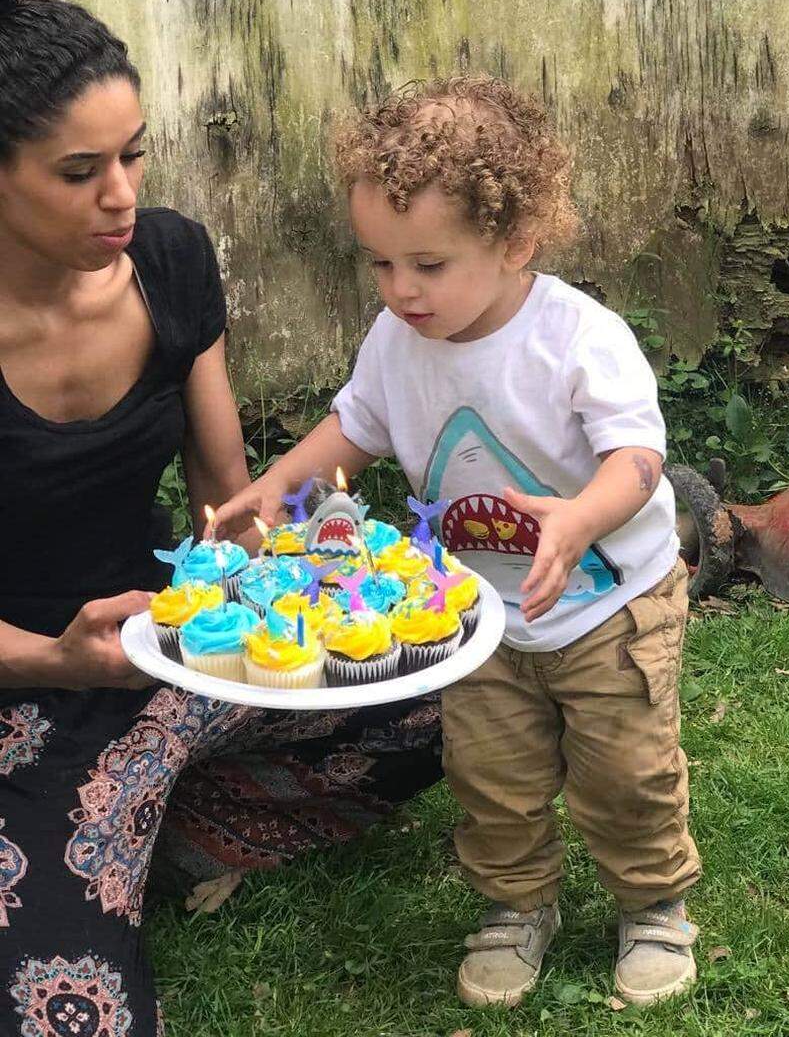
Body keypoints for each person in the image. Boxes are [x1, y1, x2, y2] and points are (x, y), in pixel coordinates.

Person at [0, 0, 440, 1037]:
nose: (123, 194)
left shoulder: (170, 259)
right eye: (78, 170)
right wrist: (54, 657)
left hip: (172, 639)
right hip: (22, 679)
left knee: (452, 701)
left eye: (134, 154)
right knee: (74, 1011)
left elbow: (223, 495)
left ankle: (138, 824)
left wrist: (308, 569)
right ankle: (88, 835)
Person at [214, 75, 701, 1008]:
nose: (401, 290)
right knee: (492, 776)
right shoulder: (397, 341)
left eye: (428, 265)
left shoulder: (576, 338)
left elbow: (638, 456)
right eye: (380, 264)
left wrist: (580, 516)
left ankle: (653, 905)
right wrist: (280, 483)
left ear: (515, 241)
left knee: (626, 772)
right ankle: (517, 907)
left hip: (609, 608)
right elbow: (355, 426)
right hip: (475, 616)